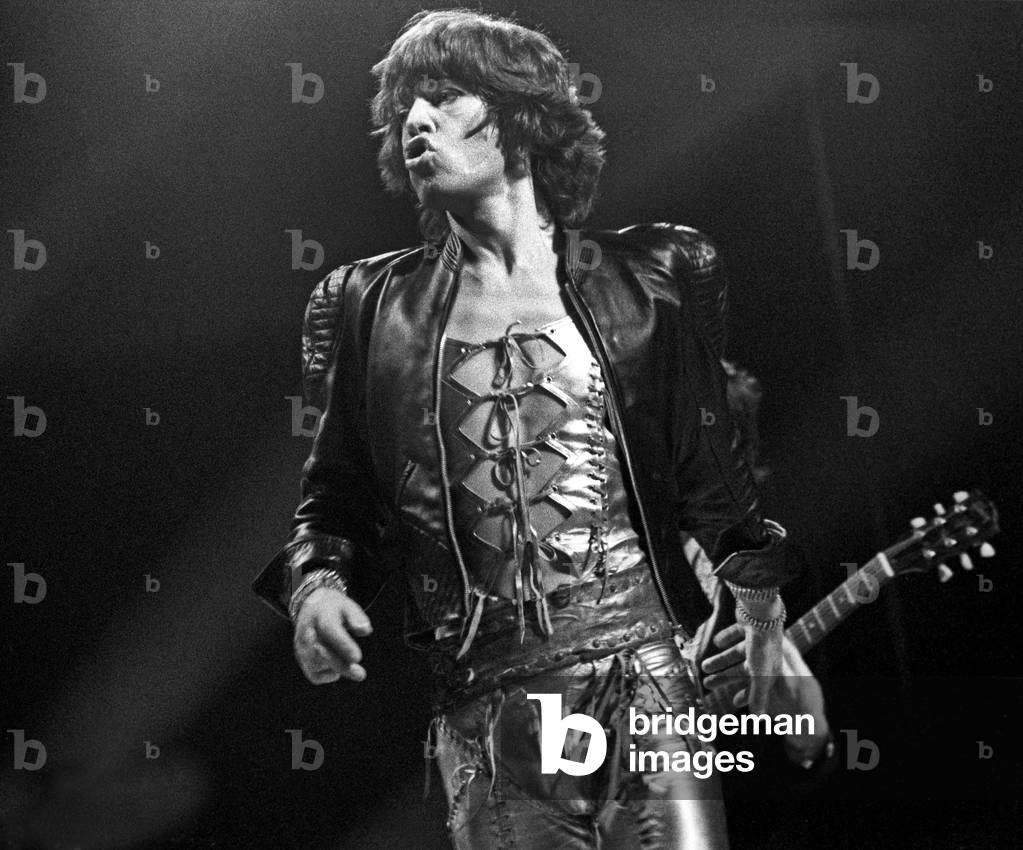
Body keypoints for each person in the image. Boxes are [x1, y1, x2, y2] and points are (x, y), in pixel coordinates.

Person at [252, 9, 807, 849]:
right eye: (404, 104)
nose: (414, 119)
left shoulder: (653, 275)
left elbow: (712, 479)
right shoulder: (364, 306)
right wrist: (316, 588)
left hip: (644, 680)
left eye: (441, 95)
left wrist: (764, 626)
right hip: (489, 708)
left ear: (516, 115)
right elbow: (332, 504)